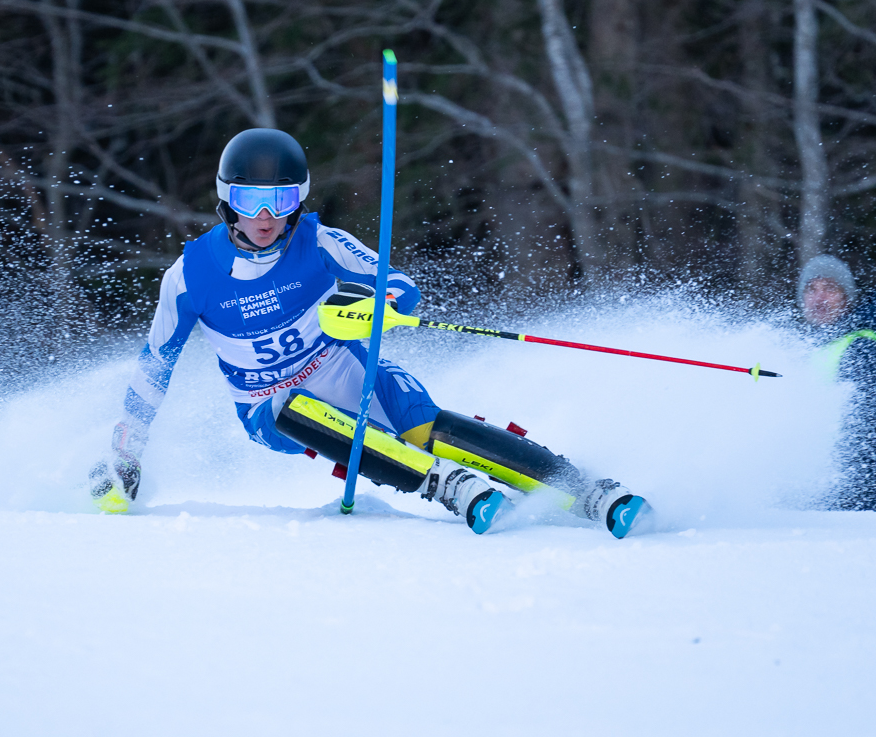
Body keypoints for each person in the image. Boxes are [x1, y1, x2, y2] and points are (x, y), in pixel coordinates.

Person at [88, 127, 651, 537]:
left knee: (424, 424)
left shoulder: (319, 241)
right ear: (225, 201)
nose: (265, 217)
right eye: (249, 201)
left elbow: (398, 284)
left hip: (347, 369)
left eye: (281, 201)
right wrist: (126, 447)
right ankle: (446, 487)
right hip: (268, 404)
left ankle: (588, 492)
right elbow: (155, 365)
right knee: (290, 406)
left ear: (299, 201)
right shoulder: (189, 276)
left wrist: (380, 300)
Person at [798, 254, 876, 513]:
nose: (819, 298)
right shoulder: (807, 350)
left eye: (829, 288)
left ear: (847, 298)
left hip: (866, 493)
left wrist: (850, 488)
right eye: (811, 289)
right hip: (819, 490)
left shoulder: (862, 346)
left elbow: (870, 425)